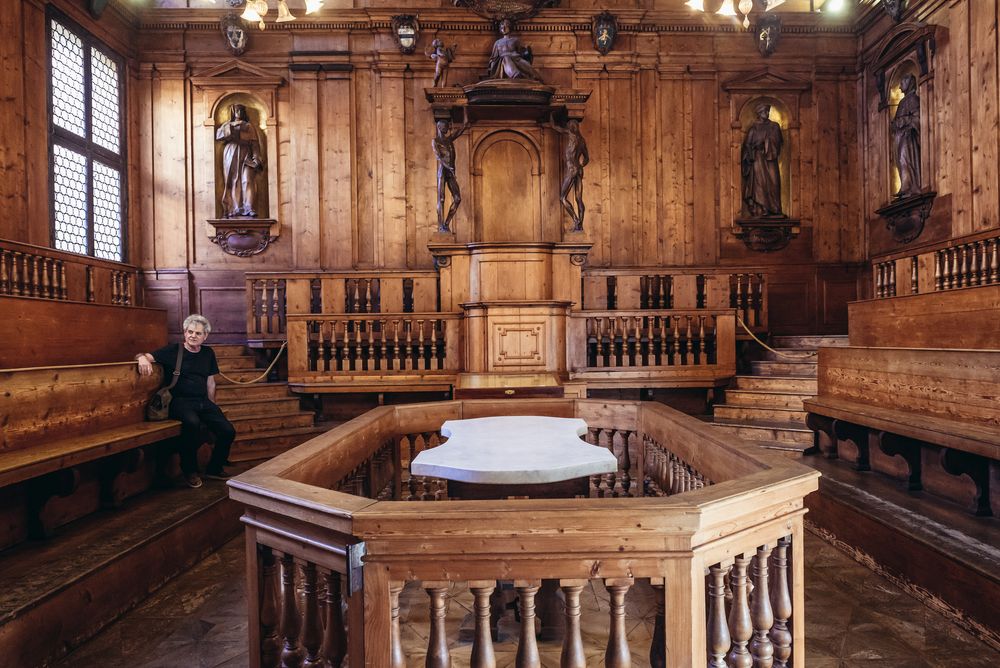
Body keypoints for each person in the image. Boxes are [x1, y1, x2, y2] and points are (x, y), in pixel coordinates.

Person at [136, 314, 235, 488]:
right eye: (190, 332)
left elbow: (210, 381)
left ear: (205, 336)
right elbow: (144, 355)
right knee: (192, 424)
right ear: (184, 332)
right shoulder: (173, 351)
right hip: (180, 401)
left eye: (198, 333)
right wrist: (141, 358)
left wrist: (212, 405)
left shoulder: (207, 353)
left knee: (228, 430)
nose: (193, 336)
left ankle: (214, 466)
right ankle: (189, 469)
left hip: (203, 401)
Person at [216, 103, 264, 218]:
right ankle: (234, 209)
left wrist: (256, 158)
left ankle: (249, 207)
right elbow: (219, 136)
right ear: (233, 112)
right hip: (231, 153)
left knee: (247, 180)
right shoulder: (227, 125)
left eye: (242, 110)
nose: (240, 113)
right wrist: (232, 129)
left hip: (246, 154)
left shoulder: (248, 126)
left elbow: (254, 144)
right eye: (237, 110)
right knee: (233, 181)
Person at [740, 103, 784, 218]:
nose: (767, 113)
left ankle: (775, 209)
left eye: (768, 111)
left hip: (770, 158)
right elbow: (747, 145)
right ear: (759, 113)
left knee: (774, 182)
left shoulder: (774, 126)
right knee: (759, 183)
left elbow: (779, 141)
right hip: (758, 159)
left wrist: (768, 143)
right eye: (765, 111)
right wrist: (752, 151)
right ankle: (762, 209)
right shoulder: (754, 128)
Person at [547, 117, 590, 231]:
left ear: (571, 127)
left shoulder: (571, 135)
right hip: (579, 170)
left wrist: (552, 115)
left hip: (571, 169)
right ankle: (580, 225)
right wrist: (579, 165)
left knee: (562, 197)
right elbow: (586, 158)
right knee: (579, 198)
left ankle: (576, 220)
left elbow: (554, 127)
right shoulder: (582, 140)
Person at [432, 119, 469, 232]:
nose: (447, 128)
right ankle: (440, 226)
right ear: (439, 127)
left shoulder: (448, 140)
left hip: (450, 172)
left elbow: (458, 133)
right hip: (443, 171)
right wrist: (448, 167)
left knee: (457, 198)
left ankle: (446, 223)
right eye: (445, 126)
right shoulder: (436, 141)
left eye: (447, 126)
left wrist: (465, 124)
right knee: (441, 198)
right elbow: (439, 157)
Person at [892, 73, 921, 198]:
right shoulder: (902, 102)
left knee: (905, 159)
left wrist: (904, 121)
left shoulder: (913, 99)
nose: (899, 87)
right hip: (900, 136)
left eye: (902, 82)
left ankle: (909, 185)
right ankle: (905, 185)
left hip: (908, 136)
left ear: (909, 83)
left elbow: (918, 118)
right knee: (899, 160)